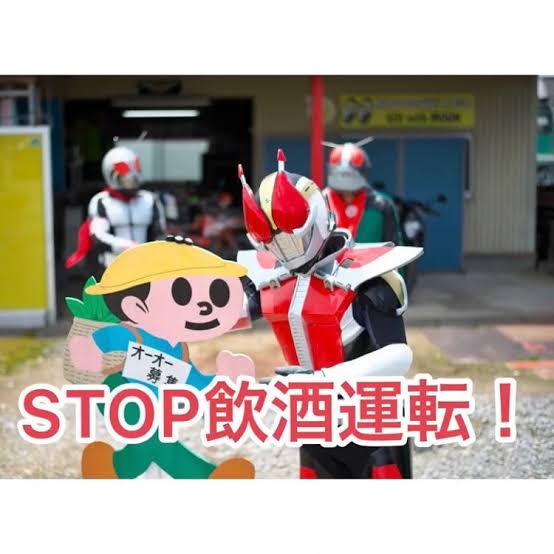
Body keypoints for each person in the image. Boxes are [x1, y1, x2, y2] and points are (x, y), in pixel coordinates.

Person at [236, 149, 422, 479]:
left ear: (317, 219)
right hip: (315, 414)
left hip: (372, 414)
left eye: (292, 241)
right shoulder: (270, 276)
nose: (285, 253)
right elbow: (216, 315)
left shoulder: (368, 276)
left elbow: (398, 355)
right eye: (274, 244)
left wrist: (320, 381)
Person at [68, 236, 256, 479]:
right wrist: (88, 351)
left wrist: (226, 381)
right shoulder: (131, 335)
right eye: (182, 294)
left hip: (155, 406)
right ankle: (205, 478)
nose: (205, 307)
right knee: (154, 437)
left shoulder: (178, 349)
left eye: (218, 294)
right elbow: (101, 342)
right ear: (136, 307)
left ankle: (109, 467)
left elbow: (192, 382)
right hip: (120, 392)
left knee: (149, 445)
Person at [65, 146, 166, 270]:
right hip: (112, 265)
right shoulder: (101, 201)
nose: (131, 182)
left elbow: (159, 233)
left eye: (134, 177)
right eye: (126, 178)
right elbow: (98, 235)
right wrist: (127, 246)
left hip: (145, 264)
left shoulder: (149, 200)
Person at [324, 139, 402, 245]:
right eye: (343, 175)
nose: (346, 180)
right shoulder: (321, 203)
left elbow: (395, 245)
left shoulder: (381, 205)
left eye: (350, 175)